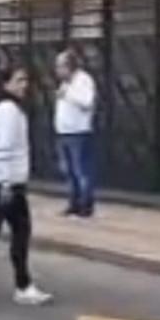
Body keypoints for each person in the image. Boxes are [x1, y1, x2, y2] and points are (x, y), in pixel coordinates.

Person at [0, 65, 53, 306]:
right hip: (5, 182)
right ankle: (22, 285)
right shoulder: (8, 110)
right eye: (19, 80)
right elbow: (3, 148)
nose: (24, 85)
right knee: (19, 232)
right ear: (6, 84)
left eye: (25, 80)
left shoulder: (1, 109)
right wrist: (7, 184)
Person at [54, 50, 97, 219]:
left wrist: (68, 95)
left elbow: (87, 102)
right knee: (68, 171)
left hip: (79, 132)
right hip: (64, 132)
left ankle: (85, 205)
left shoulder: (83, 80)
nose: (57, 70)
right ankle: (73, 203)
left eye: (60, 66)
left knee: (81, 170)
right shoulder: (65, 83)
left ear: (69, 66)